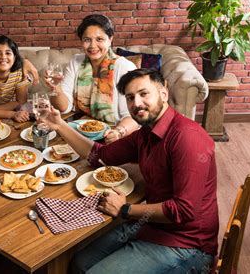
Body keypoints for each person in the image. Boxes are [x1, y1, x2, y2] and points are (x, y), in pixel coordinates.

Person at [39, 69, 219, 273]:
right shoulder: (145, 133)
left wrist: (126, 210)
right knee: (79, 263)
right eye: (130, 98)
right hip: (152, 226)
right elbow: (100, 156)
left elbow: (184, 210)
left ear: (163, 93)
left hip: (187, 245)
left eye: (144, 94)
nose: (137, 103)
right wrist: (60, 125)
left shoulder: (187, 137)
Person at [45, 14, 139, 143]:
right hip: (79, 131)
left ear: (110, 39)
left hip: (114, 133)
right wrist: (55, 87)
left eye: (99, 39)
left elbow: (133, 115)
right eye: (87, 40)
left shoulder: (124, 67)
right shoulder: (76, 61)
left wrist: (118, 132)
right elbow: (64, 107)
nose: (92, 46)